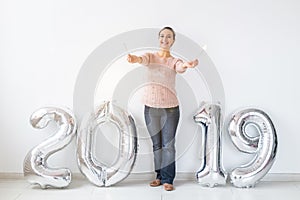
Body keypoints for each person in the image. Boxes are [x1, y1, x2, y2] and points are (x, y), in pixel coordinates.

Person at [127, 27, 198, 191]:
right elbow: (142, 59)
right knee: (156, 145)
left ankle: (168, 179)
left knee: (168, 145)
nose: (164, 39)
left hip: (170, 110)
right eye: (162, 36)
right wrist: (134, 59)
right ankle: (158, 176)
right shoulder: (151, 57)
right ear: (158, 39)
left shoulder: (173, 61)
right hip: (150, 108)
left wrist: (187, 64)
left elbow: (180, 67)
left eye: (168, 37)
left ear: (173, 41)